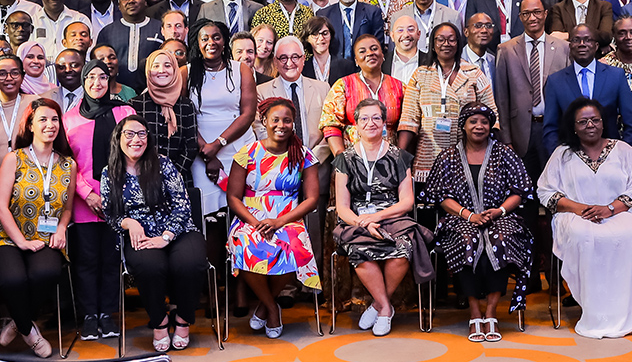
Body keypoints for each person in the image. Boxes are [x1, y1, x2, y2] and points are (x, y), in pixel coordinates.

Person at [537, 98, 632, 339]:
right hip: (575, 215)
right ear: (573, 126)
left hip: (620, 212)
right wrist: (580, 208)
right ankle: (595, 313)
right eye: (583, 122)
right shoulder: (562, 155)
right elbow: (546, 192)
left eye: (595, 120)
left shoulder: (625, 151)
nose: (590, 125)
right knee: (584, 236)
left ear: (603, 122)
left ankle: (628, 311)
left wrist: (609, 209)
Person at [423, 102, 536, 342]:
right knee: (468, 239)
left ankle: (491, 312)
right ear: (463, 125)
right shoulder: (448, 156)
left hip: (501, 217)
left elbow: (521, 190)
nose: (479, 126)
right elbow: (440, 196)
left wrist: (500, 211)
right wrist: (469, 215)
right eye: (473, 121)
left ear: (491, 126)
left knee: (500, 239)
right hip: (459, 219)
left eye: (484, 122)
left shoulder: (504, 153)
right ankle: (475, 312)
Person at [104, 115, 205, 352]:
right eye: (129, 134)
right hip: (141, 235)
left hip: (178, 230)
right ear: (118, 138)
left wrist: (167, 236)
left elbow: (182, 204)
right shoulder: (110, 172)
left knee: (190, 263)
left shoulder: (163, 164)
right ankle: (159, 321)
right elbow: (110, 214)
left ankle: (183, 319)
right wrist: (128, 222)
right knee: (149, 267)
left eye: (142, 134)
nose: (136, 139)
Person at [226, 98, 325, 339]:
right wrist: (255, 223)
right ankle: (272, 308)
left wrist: (279, 222)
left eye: (287, 120)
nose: (281, 125)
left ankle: (265, 305)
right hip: (250, 217)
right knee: (246, 244)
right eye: (275, 120)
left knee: (294, 245)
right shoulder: (247, 153)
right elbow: (233, 197)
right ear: (264, 121)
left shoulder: (303, 155)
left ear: (293, 123)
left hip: (287, 216)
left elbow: (312, 199)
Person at [330, 99, 430, 338]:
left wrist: (377, 217)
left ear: (384, 122)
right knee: (358, 250)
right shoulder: (345, 159)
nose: (370, 123)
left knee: (403, 248)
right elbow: (342, 207)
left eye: (376, 118)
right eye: (364, 118)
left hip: (393, 216)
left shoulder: (400, 157)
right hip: (357, 220)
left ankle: (377, 305)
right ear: (356, 124)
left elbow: (407, 202)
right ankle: (385, 307)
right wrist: (363, 222)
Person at [0, 98, 73, 357]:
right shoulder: (14, 158)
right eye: (43, 119)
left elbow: (67, 209)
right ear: (30, 125)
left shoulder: (68, 164)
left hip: (46, 236)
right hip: (6, 237)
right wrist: (21, 241)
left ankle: (18, 322)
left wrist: (61, 229)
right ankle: (30, 333)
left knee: (46, 274)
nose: (50, 125)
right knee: (13, 279)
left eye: (54, 119)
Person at [63, 56, 136, 341]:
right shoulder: (69, 119)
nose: (97, 82)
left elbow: (134, 153)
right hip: (84, 200)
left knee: (111, 259)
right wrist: (88, 194)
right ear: (83, 81)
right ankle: (89, 315)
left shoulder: (124, 112)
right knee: (86, 261)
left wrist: (116, 192)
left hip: (118, 198)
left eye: (103, 77)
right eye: (91, 77)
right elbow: (67, 162)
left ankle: (108, 313)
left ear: (110, 80)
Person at [398, 23, 498, 181]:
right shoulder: (420, 75)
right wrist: (399, 156)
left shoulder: (473, 73)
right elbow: (409, 118)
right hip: (429, 154)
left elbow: (492, 114)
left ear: (458, 43)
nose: (446, 44)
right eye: (441, 39)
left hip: (466, 150)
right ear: (433, 44)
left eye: (451, 39)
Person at [186, 22, 256, 219]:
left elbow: (248, 114)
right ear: (198, 43)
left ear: (225, 42)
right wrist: (207, 154)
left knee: (244, 210)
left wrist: (218, 144)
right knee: (210, 214)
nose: (211, 42)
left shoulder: (241, 70)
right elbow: (184, 117)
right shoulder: (186, 73)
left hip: (239, 148)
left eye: (216, 37)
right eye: (205, 38)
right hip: (202, 151)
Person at [494, 0, 569, 168]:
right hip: (520, 132)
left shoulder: (563, 48)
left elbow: (568, 94)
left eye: (536, 12)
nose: (532, 18)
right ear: (520, 17)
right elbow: (502, 98)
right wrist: (506, 139)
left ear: (545, 14)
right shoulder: (506, 50)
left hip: (554, 129)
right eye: (526, 13)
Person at [543, 24, 632, 151]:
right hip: (571, 156)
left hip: (611, 155)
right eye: (576, 40)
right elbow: (551, 129)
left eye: (588, 40)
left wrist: (624, 154)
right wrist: (561, 158)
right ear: (570, 46)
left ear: (596, 46)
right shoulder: (555, 81)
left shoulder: (615, 76)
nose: (582, 44)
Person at [320, 35, 406, 157]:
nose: (370, 53)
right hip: (353, 159)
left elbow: (408, 124)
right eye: (362, 51)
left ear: (382, 55)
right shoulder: (343, 85)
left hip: (390, 159)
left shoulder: (399, 87)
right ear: (356, 60)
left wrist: (400, 157)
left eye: (374, 48)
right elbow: (330, 123)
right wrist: (341, 157)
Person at [132, 44, 203, 178]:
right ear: (148, 71)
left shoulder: (186, 105)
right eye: (155, 66)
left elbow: (191, 146)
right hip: (143, 178)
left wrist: (172, 175)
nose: (161, 70)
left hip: (179, 179)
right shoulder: (135, 105)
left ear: (175, 69)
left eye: (167, 65)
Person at [257, 37, 331, 154]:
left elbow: (330, 128)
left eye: (295, 57)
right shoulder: (262, 92)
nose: (289, 63)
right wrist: (286, 157)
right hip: (279, 160)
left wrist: (311, 159)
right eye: (283, 58)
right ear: (275, 61)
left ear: (303, 59)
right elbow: (261, 131)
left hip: (317, 160)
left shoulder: (323, 89)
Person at [0, 56, 39, 192]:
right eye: (2, 73)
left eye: (15, 73)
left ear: (22, 77)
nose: (9, 78)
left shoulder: (35, 104)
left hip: (32, 187)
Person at [317, 0, 386, 66]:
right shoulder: (324, 15)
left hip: (364, 69)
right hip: (333, 69)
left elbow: (378, 46)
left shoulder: (372, 12)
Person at [101, 0, 160, 91]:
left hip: (154, 90)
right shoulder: (107, 32)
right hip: (117, 92)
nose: (131, 1)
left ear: (145, 2)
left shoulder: (160, 28)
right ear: (119, 6)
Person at [301, 17, 341, 83]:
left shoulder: (346, 66)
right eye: (315, 34)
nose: (321, 38)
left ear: (331, 35)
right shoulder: (302, 69)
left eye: (325, 33)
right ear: (307, 39)